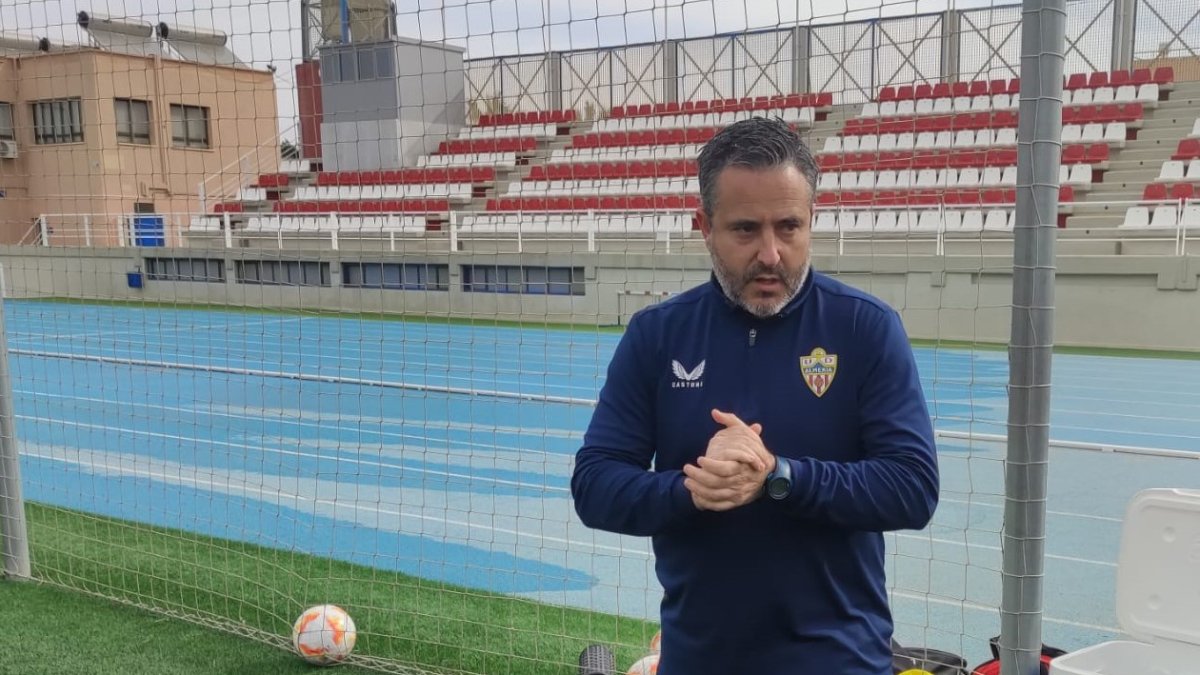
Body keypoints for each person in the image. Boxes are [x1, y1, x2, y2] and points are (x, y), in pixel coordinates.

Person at [569, 116, 940, 674]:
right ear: (704, 225)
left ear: (811, 221)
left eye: (789, 227)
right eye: (746, 230)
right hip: (699, 660)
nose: (771, 253)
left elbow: (913, 488)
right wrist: (694, 490)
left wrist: (779, 477)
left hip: (839, 662)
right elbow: (594, 485)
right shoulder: (657, 335)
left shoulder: (865, 328)